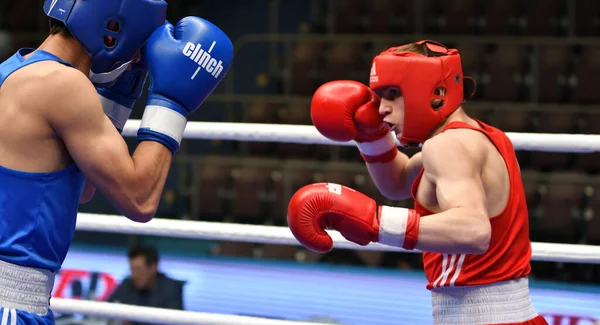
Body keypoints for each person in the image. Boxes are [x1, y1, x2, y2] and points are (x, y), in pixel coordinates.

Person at [0, 0, 233, 323]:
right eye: (140, 43)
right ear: (113, 30)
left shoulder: (14, 70)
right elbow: (140, 198)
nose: (139, 56)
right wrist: (171, 103)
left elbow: (79, 190)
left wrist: (116, 101)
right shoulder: (64, 85)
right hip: (12, 303)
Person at [287, 40, 548, 325]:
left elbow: (474, 231)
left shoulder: (448, 146)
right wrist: (372, 138)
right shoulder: (481, 136)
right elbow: (398, 181)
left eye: (393, 94)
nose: (381, 110)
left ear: (435, 93)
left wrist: (375, 223)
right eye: (378, 97)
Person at [109, 246, 183, 325]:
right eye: (132, 269)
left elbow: (175, 321)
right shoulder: (127, 284)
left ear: (153, 267)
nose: (134, 275)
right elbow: (108, 310)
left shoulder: (171, 287)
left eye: (139, 269)